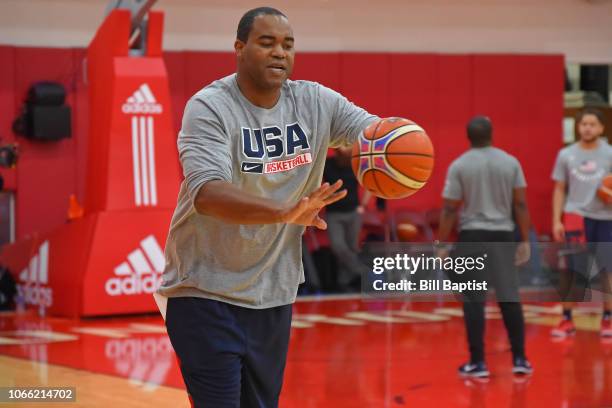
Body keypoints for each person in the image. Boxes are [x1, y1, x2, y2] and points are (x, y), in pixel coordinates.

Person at [156, 7, 378, 407]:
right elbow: (207, 192)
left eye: (288, 45)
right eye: (267, 42)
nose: (280, 53)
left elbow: (376, 134)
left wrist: (403, 146)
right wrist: (284, 211)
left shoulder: (316, 102)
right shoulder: (209, 107)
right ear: (239, 48)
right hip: (204, 291)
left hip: (272, 294)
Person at [437, 116, 533, 378]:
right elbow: (521, 205)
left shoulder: (459, 165)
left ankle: (478, 363)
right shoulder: (511, 162)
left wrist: (441, 243)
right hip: (502, 236)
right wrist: (524, 240)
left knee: (473, 302)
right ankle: (520, 359)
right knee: (510, 299)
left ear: (468, 137)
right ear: (492, 134)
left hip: (472, 237)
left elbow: (449, 209)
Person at [550, 108, 612, 338]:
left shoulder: (609, 154)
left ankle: (608, 318)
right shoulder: (566, 154)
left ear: (601, 128)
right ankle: (566, 319)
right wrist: (557, 220)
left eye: (592, 124)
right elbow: (559, 189)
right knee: (571, 270)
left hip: (605, 218)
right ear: (578, 127)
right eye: (584, 124)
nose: (587, 127)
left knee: (608, 270)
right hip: (575, 216)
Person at [323, 146, 372, 292]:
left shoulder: (356, 164)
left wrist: (363, 205)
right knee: (338, 246)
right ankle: (364, 273)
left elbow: (370, 184)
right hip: (333, 213)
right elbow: (316, 182)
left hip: (353, 212)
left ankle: (344, 282)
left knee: (352, 247)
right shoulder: (327, 163)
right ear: (337, 152)